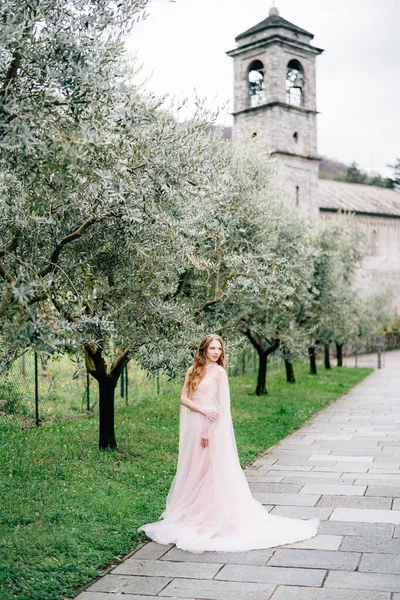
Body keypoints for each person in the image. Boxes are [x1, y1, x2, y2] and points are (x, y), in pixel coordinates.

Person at [138, 334, 320, 553]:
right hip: (195, 423)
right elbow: (184, 398)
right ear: (204, 350)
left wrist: (208, 429)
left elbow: (223, 408)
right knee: (193, 467)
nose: (217, 352)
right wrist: (202, 410)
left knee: (210, 471)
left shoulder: (220, 373)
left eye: (219, 349)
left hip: (211, 427)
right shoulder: (193, 370)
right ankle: (189, 511)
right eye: (213, 348)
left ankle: (211, 514)